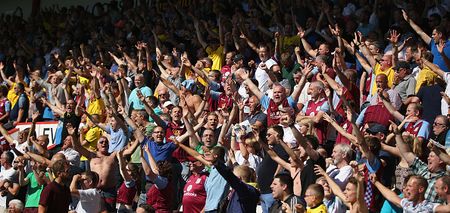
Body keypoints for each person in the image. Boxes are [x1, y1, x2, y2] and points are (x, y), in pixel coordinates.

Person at [370, 174, 434, 213]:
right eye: (406, 186)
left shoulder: (430, 207)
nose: (405, 189)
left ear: (420, 189)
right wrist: (375, 182)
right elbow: (391, 196)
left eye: (410, 186)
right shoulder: (407, 204)